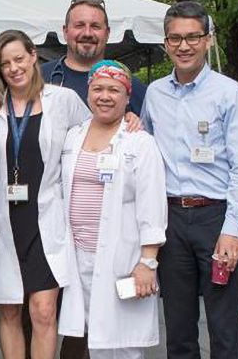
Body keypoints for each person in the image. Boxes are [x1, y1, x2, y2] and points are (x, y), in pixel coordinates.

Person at [140, 1, 238, 359]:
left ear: (208, 40)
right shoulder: (155, 93)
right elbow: (143, 146)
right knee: (178, 328)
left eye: (192, 37)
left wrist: (232, 230)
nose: (184, 46)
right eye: (175, 38)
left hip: (216, 220)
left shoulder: (230, 94)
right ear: (165, 43)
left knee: (223, 327)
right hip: (171, 221)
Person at [0, 30, 86, 359]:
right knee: (10, 311)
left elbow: (95, 133)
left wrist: (128, 119)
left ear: (32, 56)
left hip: (46, 223)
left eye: (18, 58)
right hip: (5, 224)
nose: (14, 68)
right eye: (5, 64)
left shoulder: (63, 100)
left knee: (43, 310)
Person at [59, 60, 167, 359]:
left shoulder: (140, 143)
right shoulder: (73, 135)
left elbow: (152, 206)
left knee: (121, 346)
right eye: (98, 89)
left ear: (127, 96)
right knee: (87, 336)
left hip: (123, 257)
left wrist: (148, 263)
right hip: (78, 256)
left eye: (114, 90)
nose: (105, 96)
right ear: (88, 92)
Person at [40, 0, 147, 115]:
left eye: (95, 26)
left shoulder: (128, 83)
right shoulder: (38, 78)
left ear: (107, 34)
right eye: (79, 25)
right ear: (65, 32)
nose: (87, 33)